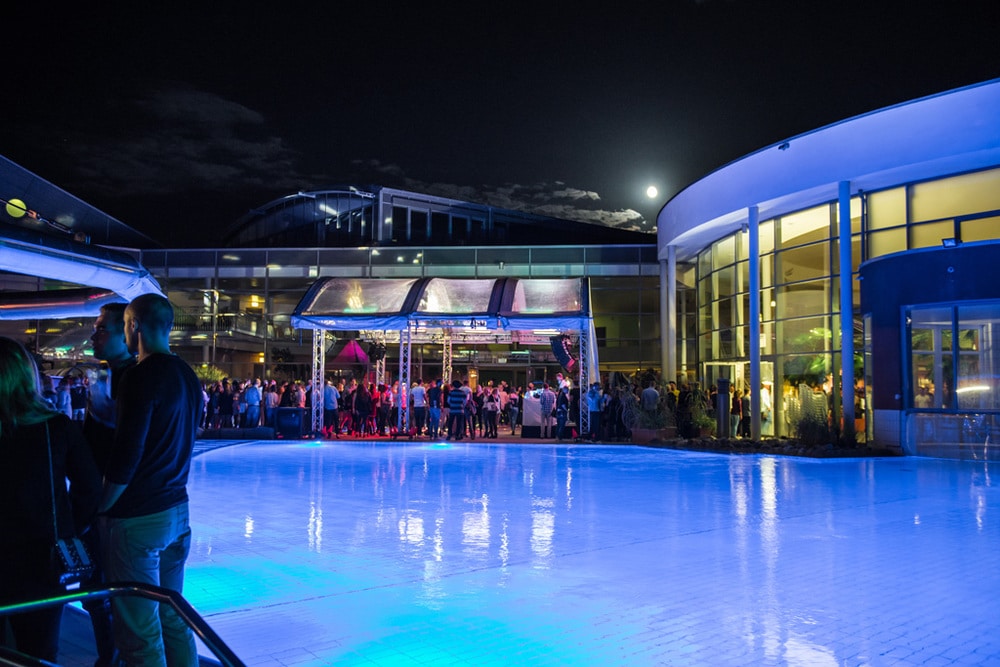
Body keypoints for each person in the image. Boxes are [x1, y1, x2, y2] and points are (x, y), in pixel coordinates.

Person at [98, 293, 203, 666]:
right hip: (177, 511)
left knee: (140, 634)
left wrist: (102, 508)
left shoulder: (140, 376)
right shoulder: (187, 375)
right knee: (174, 618)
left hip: (139, 519)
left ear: (134, 325)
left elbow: (127, 454)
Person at [0, 336, 102, 663]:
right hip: (41, 558)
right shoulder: (55, 427)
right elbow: (90, 487)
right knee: (39, 651)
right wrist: (71, 526)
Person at [82, 302, 137, 667]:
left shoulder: (134, 381)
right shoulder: (107, 376)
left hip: (114, 508)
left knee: (108, 592)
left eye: (102, 329)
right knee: (98, 592)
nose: (94, 336)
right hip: (101, 503)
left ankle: (113, 659)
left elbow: (127, 452)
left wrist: (101, 503)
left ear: (127, 333)